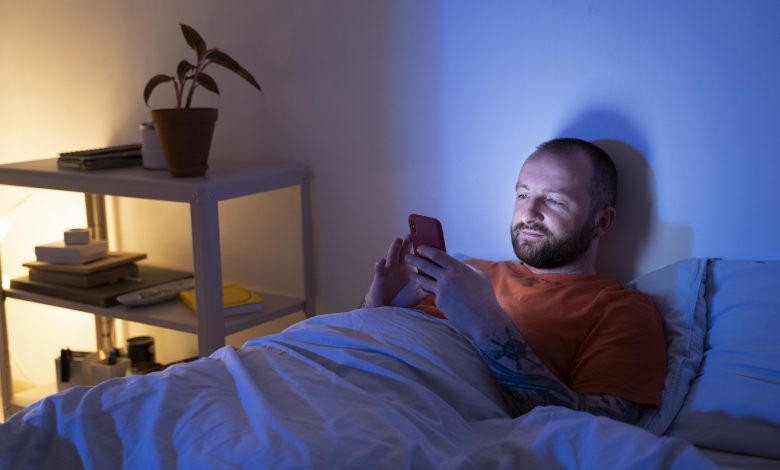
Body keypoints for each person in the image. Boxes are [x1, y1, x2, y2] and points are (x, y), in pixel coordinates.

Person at [362, 137, 666, 424]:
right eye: (523, 194)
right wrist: (375, 306)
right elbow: (357, 349)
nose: (528, 213)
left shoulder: (621, 310)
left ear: (601, 222)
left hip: (405, 416)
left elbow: (594, 432)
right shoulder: (465, 272)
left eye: (555, 201)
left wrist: (486, 323)